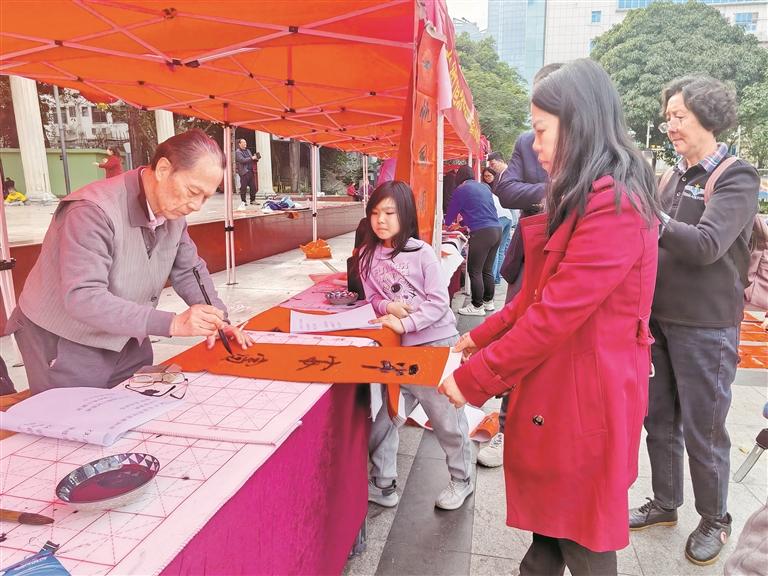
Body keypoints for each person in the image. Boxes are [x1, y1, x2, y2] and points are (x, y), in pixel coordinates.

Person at [439, 59, 660, 576]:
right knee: (552, 533)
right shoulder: (585, 194)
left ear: (578, 123)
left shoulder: (615, 204)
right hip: (566, 384)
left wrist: (474, 380)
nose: (533, 146)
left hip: (588, 394)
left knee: (580, 536)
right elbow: (537, 295)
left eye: (541, 131)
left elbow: (554, 314)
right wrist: (479, 338)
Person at [7, 129, 252, 395]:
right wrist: (172, 323)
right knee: (75, 413)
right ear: (163, 169)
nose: (196, 206)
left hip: (127, 334)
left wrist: (218, 319)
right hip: (65, 338)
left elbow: (189, 270)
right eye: (193, 191)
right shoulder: (92, 210)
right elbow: (83, 296)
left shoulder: (172, 212)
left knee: (137, 404)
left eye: (205, 197)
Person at [629, 76, 760, 566]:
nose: (671, 125)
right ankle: (665, 503)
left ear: (708, 116)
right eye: (668, 116)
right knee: (659, 420)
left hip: (708, 327)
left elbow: (706, 245)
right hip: (659, 320)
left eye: (679, 115)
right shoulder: (671, 177)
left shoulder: (735, 176)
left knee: (704, 428)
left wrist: (651, 214)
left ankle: (715, 518)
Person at [361, 181, 473, 511]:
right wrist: (388, 307)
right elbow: (372, 298)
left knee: (448, 423)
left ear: (406, 215)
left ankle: (462, 479)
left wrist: (406, 324)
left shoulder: (422, 253)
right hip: (398, 354)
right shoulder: (367, 256)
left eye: (389, 213)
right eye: (375, 213)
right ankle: (383, 484)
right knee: (386, 419)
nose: (381, 220)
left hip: (436, 349)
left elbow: (439, 302)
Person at [478, 63, 560, 469]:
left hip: (572, 260)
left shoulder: (595, 151)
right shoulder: (528, 143)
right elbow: (506, 189)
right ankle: (506, 427)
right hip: (531, 256)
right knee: (517, 334)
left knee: (556, 346)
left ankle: (548, 433)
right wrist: (556, 192)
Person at [444, 165, 502, 316]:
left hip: (481, 233)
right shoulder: (484, 187)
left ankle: (477, 306)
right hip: (496, 229)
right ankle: (488, 302)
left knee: (474, 270)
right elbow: (481, 210)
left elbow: (450, 214)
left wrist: (448, 224)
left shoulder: (461, 190)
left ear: (459, 178)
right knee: (487, 269)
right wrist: (462, 223)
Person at [483, 166, 517, 285]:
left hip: (500, 218)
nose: (487, 178)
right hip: (508, 218)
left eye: (489, 176)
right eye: (485, 176)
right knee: (501, 249)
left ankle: (492, 279)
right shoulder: (494, 193)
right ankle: (497, 277)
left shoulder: (487, 193)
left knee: (495, 249)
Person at [235, 138, 260, 210]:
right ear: (239, 144)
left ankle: (252, 200)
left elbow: (251, 159)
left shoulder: (248, 151)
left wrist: (256, 158)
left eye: (245, 142)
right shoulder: (238, 152)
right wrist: (252, 158)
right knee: (243, 187)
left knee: (253, 187)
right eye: (243, 142)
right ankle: (243, 201)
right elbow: (242, 160)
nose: (245, 144)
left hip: (250, 171)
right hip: (244, 172)